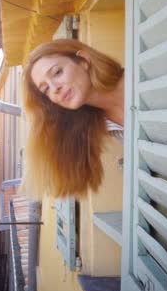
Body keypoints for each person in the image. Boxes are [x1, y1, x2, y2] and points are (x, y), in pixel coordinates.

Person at [21, 38, 124, 198]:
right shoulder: (106, 127)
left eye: (57, 72)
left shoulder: (141, 78)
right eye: (46, 89)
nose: (55, 89)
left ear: (83, 60)